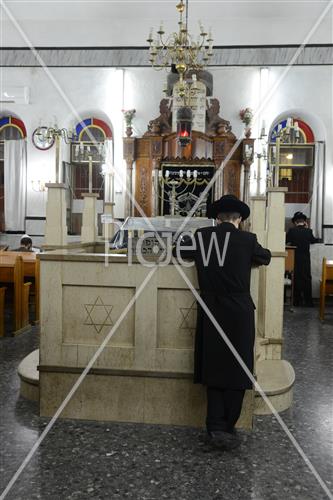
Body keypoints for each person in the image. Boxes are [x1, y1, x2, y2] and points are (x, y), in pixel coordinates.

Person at [175, 195, 271, 450]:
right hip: (239, 312)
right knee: (238, 368)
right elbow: (266, 257)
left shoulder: (203, 236)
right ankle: (229, 426)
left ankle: (215, 428)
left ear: (217, 218)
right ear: (239, 219)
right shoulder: (248, 240)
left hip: (211, 309)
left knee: (214, 366)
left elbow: (179, 250)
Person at [286, 212, 318, 307]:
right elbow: (314, 240)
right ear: (304, 222)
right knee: (307, 279)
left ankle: (297, 301)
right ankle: (308, 302)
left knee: (296, 278)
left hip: (295, 258)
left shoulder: (292, 231)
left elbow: (285, 241)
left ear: (295, 222)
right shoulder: (308, 231)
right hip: (305, 259)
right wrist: (307, 228)